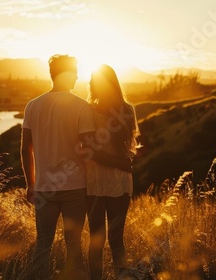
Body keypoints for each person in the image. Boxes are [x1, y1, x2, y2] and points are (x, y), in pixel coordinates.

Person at [20, 55, 130, 280]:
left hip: (43, 188)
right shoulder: (81, 107)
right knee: (74, 246)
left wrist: (30, 183)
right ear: (66, 74)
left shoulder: (32, 106)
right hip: (76, 188)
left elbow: (25, 149)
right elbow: (88, 149)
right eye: (75, 71)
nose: (78, 76)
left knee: (43, 245)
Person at [85, 64, 139, 280]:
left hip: (100, 182)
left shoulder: (120, 110)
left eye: (93, 81)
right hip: (112, 180)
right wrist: (121, 163)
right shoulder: (125, 110)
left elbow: (128, 150)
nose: (90, 84)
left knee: (100, 240)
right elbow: (124, 154)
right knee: (115, 241)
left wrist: (123, 162)